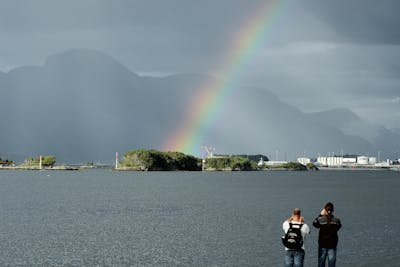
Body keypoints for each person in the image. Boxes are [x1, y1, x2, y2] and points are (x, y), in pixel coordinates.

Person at [313, 202, 342, 267]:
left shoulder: (321, 220)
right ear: (333, 210)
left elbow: (314, 223)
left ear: (325, 210)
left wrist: (320, 214)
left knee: (321, 263)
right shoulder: (336, 220)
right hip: (332, 245)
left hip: (322, 244)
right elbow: (339, 226)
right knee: (332, 264)